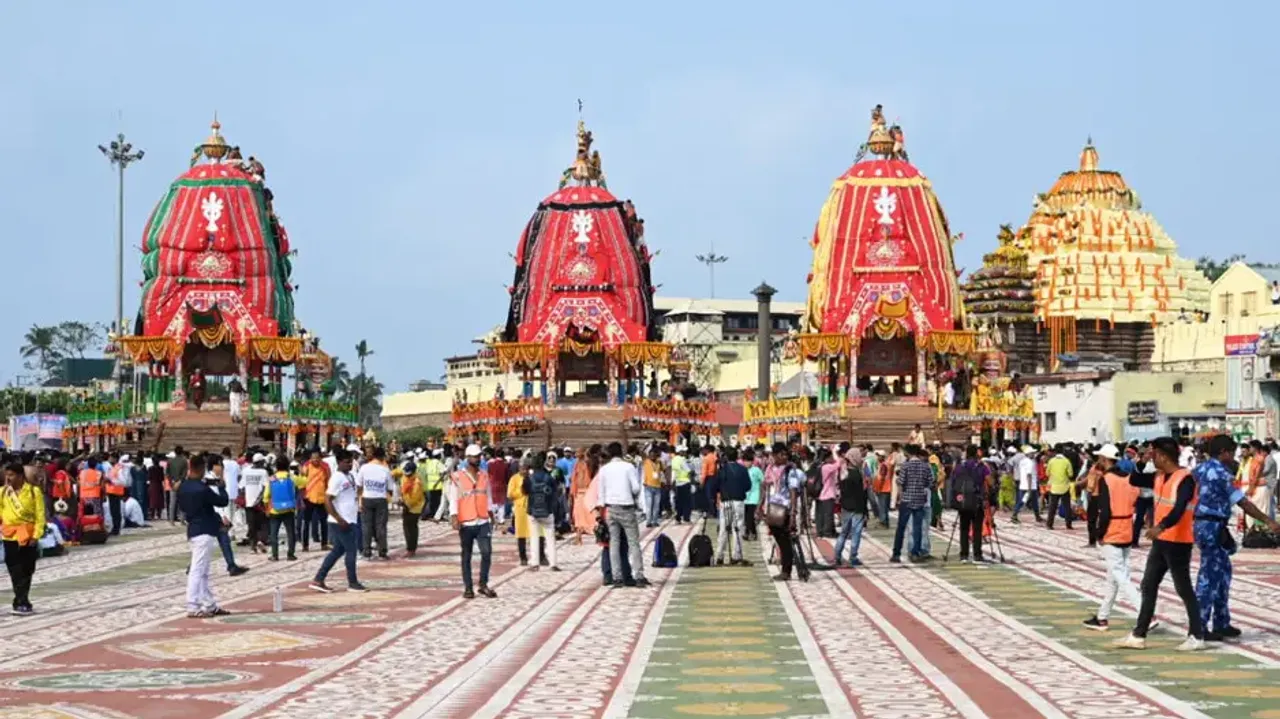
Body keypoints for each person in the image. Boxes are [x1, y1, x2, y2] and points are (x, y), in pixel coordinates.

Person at [1118, 437, 1206, 651]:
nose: (1151, 458)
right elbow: (1134, 480)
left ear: (1163, 456)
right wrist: (1140, 460)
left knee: (1183, 587)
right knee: (1148, 585)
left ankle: (1197, 635)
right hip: (1161, 541)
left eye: (1153, 453)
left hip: (1178, 541)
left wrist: (1161, 526)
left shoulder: (1185, 479)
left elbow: (1179, 509)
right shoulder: (1159, 476)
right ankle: (1139, 634)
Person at [1190, 435, 1280, 641]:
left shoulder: (1200, 469)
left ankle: (1221, 622)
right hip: (1211, 525)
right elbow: (1242, 502)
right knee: (1209, 576)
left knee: (1223, 572)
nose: (1233, 457)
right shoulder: (1220, 473)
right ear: (1223, 452)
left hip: (1209, 525)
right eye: (1231, 453)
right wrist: (1269, 521)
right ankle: (1199, 626)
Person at [177, 454, 230, 618]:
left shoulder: (183, 487)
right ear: (201, 469)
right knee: (197, 570)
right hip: (204, 530)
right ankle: (192, 605)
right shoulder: (202, 489)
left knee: (203, 570)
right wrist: (221, 485)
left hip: (193, 528)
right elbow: (222, 501)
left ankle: (209, 604)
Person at [309, 450, 367, 593]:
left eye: (350, 461)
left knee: (337, 551)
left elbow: (355, 492)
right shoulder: (337, 478)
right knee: (351, 551)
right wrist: (338, 518)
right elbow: (328, 499)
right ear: (339, 462)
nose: (349, 464)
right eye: (346, 462)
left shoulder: (351, 476)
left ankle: (319, 579)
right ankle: (352, 582)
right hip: (341, 521)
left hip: (351, 518)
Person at [595, 441, 649, 588]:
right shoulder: (628, 467)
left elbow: (601, 493)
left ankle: (617, 577)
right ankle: (639, 575)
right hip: (626, 507)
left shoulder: (604, 469)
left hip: (611, 508)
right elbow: (636, 488)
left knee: (614, 543)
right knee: (633, 543)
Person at [451, 444, 498, 598]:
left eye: (479, 456)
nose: (477, 459)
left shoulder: (484, 475)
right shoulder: (458, 476)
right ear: (467, 458)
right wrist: (454, 516)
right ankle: (468, 587)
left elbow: (488, 495)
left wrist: (492, 514)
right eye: (474, 456)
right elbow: (453, 497)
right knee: (466, 555)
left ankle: (483, 584)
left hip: (483, 520)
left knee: (487, 552)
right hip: (466, 521)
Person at [2, 461, 46, 616]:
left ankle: (22, 600)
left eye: (11, 475)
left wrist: (36, 535)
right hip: (9, 536)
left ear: (20, 476)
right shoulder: (2, 492)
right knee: (14, 570)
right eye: (6, 475)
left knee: (26, 569)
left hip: (28, 535)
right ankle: (21, 600)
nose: (8, 478)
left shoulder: (34, 492)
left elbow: (40, 516)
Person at [761, 443, 805, 581]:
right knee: (779, 539)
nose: (784, 457)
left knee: (785, 541)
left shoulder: (789, 470)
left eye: (786, 454)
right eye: (781, 454)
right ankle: (786, 567)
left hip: (785, 509)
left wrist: (792, 513)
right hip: (773, 506)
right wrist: (759, 506)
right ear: (774, 455)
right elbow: (765, 488)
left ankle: (786, 570)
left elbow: (793, 491)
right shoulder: (770, 469)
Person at [890, 445, 933, 563]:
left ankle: (896, 553)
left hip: (907, 499)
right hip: (919, 500)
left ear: (908, 453)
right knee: (917, 527)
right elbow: (929, 482)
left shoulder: (905, 466)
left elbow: (901, 481)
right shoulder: (925, 466)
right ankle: (916, 552)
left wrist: (899, 491)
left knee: (901, 527)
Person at [948, 445, 989, 563]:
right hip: (977, 500)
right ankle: (977, 554)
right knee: (977, 529)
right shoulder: (981, 466)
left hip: (963, 500)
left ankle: (964, 555)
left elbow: (954, 481)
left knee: (964, 528)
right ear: (977, 453)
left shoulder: (960, 466)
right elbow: (989, 480)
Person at [832, 447, 868, 567]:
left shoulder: (843, 473)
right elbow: (861, 494)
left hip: (846, 506)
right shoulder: (857, 474)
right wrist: (865, 511)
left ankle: (837, 556)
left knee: (843, 532)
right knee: (856, 533)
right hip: (857, 507)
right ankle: (853, 557)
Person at [526, 452, 560, 571]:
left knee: (534, 537)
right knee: (550, 537)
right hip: (548, 510)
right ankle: (553, 563)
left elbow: (524, 491)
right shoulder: (549, 478)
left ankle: (535, 563)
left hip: (532, 510)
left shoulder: (529, 478)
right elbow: (555, 493)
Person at [261, 456, 299, 561]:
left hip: (275, 510)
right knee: (290, 533)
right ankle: (290, 554)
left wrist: (267, 508)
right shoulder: (291, 477)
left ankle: (275, 555)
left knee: (274, 533)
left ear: (276, 466)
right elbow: (304, 483)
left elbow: (266, 496)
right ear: (287, 465)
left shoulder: (272, 478)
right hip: (289, 509)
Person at [357, 447, 392, 560]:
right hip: (381, 499)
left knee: (366, 526)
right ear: (382, 457)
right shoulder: (385, 469)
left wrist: (359, 500)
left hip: (367, 498)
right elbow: (390, 488)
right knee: (380, 526)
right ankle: (382, 551)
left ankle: (366, 550)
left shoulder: (364, 468)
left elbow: (359, 485)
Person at [508, 455, 537, 565]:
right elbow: (510, 494)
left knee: (535, 533)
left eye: (525, 468)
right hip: (520, 509)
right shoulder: (514, 479)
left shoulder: (532, 477)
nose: (524, 470)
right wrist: (521, 491)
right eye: (522, 468)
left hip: (532, 508)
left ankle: (536, 556)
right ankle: (523, 557)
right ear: (519, 468)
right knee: (521, 534)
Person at [302, 448, 330, 551]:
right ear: (310, 458)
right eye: (313, 458)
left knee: (323, 522)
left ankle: (324, 544)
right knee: (306, 522)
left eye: (317, 458)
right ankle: (305, 545)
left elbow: (328, 481)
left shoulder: (325, 467)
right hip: (309, 497)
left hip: (322, 498)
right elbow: (302, 480)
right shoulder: (306, 466)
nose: (315, 460)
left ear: (320, 458)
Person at [240, 454, 269, 553]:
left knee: (251, 525)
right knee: (262, 524)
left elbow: (241, 487)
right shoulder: (263, 472)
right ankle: (261, 541)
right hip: (259, 503)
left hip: (248, 502)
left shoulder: (245, 471)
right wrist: (261, 499)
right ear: (260, 462)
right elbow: (266, 487)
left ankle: (253, 546)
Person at [1044, 447, 1074, 530]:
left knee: (1052, 507)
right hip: (1064, 487)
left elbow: (1047, 473)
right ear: (1063, 451)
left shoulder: (1051, 461)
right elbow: (1070, 474)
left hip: (1054, 487)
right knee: (1067, 506)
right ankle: (1068, 524)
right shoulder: (1066, 461)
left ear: (1055, 452)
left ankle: (1049, 524)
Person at [400, 461, 425, 556]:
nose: (407, 475)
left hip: (414, 508)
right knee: (407, 527)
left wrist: (405, 504)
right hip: (406, 506)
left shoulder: (417, 482)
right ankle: (410, 547)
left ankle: (411, 549)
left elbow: (415, 497)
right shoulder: (405, 476)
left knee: (411, 528)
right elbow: (398, 472)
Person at [1011, 445, 1041, 523]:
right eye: (1032, 453)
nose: (1034, 454)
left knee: (1028, 501)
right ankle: (1014, 515)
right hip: (1030, 485)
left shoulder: (1022, 461)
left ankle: (1037, 516)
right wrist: (1030, 488)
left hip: (1023, 484)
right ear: (1028, 454)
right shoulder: (1030, 462)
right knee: (1024, 501)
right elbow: (1029, 475)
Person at [105, 454, 129, 536]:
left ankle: (116, 529)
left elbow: (123, 482)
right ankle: (115, 528)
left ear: (115, 459)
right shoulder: (113, 468)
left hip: (116, 492)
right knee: (113, 511)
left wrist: (111, 481)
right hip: (111, 491)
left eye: (111, 457)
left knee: (116, 512)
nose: (109, 459)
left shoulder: (119, 468)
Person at [743, 448, 763, 541]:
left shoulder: (756, 470)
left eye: (749, 461)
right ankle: (750, 532)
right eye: (745, 461)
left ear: (752, 462)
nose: (747, 463)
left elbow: (763, 482)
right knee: (745, 517)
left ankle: (749, 533)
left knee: (750, 517)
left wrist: (761, 498)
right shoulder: (742, 470)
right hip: (744, 497)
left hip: (754, 497)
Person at [641, 447, 664, 527]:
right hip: (648, 486)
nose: (652, 457)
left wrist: (664, 482)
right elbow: (642, 453)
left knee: (656, 506)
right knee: (649, 505)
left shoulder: (659, 462)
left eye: (654, 455)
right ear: (649, 456)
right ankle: (648, 521)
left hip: (657, 486)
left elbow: (662, 471)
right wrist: (647, 446)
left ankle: (654, 521)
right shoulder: (646, 462)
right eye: (651, 455)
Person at [423, 450, 445, 520]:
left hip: (430, 485)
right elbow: (442, 473)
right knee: (438, 502)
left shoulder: (429, 463)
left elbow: (426, 474)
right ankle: (437, 515)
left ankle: (431, 515)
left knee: (432, 501)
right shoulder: (439, 463)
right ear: (438, 455)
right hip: (438, 486)